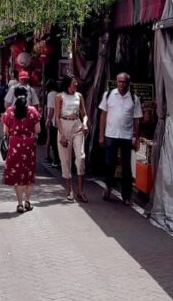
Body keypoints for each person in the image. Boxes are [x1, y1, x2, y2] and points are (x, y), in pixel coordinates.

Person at [98, 73, 142, 205]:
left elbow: (137, 120)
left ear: (128, 83)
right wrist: (101, 134)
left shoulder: (134, 99)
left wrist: (136, 137)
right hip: (111, 134)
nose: (121, 84)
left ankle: (126, 196)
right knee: (109, 164)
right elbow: (103, 116)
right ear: (116, 82)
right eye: (119, 82)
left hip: (126, 136)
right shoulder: (109, 95)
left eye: (124, 82)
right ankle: (108, 187)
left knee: (126, 167)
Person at [3, 85, 41, 213]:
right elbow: (38, 130)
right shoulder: (33, 111)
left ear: (14, 96)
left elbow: (5, 131)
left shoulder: (9, 112)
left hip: (15, 144)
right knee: (28, 173)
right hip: (29, 144)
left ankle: (19, 203)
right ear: (27, 95)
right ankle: (28, 202)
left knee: (17, 173)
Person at [54, 75, 89, 202]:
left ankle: (81, 191)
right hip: (64, 125)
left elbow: (84, 114)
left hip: (77, 126)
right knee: (65, 159)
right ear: (68, 84)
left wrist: (84, 123)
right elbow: (57, 117)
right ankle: (69, 190)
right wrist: (62, 134)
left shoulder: (79, 96)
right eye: (74, 83)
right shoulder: (59, 97)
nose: (76, 85)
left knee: (80, 157)